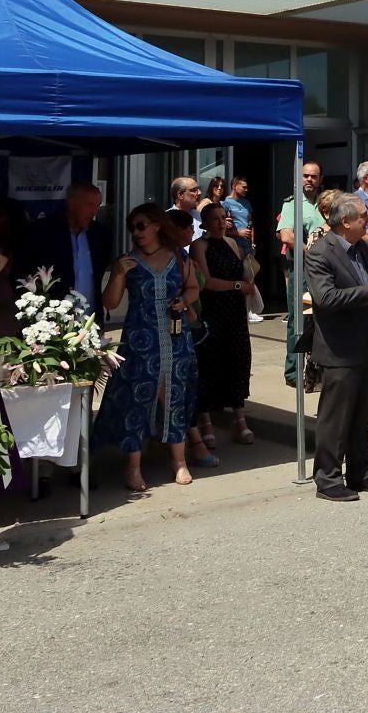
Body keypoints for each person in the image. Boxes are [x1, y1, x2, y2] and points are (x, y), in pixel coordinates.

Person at [93, 203, 199, 492]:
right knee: (138, 398)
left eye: (141, 226)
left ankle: (179, 461)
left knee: (173, 395)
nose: (136, 233)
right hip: (141, 338)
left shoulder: (178, 256)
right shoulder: (127, 261)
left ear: (156, 226)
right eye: (133, 228)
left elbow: (192, 287)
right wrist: (117, 274)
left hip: (176, 337)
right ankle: (133, 466)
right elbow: (110, 303)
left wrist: (184, 302)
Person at [303, 193, 368, 501]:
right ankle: (327, 478)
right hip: (338, 349)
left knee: (363, 415)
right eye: (363, 217)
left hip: (365, 345)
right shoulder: (320, 253)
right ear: (345, 222)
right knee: (336, 419)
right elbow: (325, 299)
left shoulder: (362, 249)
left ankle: (359, 471)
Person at [191, 202, 257, 447]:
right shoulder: (200, 246)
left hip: (236, 313)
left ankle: (240, 419)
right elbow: (206, 282)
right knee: (210, 364)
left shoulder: (233, 243)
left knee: (239, 361)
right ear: (205, 224)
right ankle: (206, 421)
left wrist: (247, 278)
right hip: (213, 310)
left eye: (223, 218)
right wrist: (238, 286)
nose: (221, 223)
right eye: (215, 219)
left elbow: (244, 272)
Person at [18, 182, 112, 306]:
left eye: (97, 206)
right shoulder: (42, 232)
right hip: (52, 318)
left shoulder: (100, 234)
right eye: (89, 205)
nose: (94, 211)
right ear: (71, 203)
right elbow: (23, 274)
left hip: (91, 319)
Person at [276, 160, 326, 387]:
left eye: (313, 176)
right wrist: (312, 251)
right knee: (299, 321)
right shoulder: (291, 205)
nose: (309, 180)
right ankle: (294, 372)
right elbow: (286, 236)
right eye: (305, 176)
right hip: (303, 269)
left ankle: (318, 369)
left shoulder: (328, 203)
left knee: (323, 320)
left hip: (326, 271)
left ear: (320, 180)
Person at [221, 176, 260, 324]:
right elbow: (222, 228)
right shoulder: (226, 204)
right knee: (237, 275)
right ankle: (238, 308)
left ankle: (249, 309)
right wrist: (236, 233)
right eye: (243, 187)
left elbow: (251, 222)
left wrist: (252, 242)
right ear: (234, 186)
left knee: (250, 275)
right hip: (234, 244)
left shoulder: (246, 203)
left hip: (247, 245)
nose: (246, 190)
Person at [169, 177, 204, 242]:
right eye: (194, 190)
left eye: (199, 189)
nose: (199, 193)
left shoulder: (200, 216)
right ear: (180, 195)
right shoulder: (167, 219)